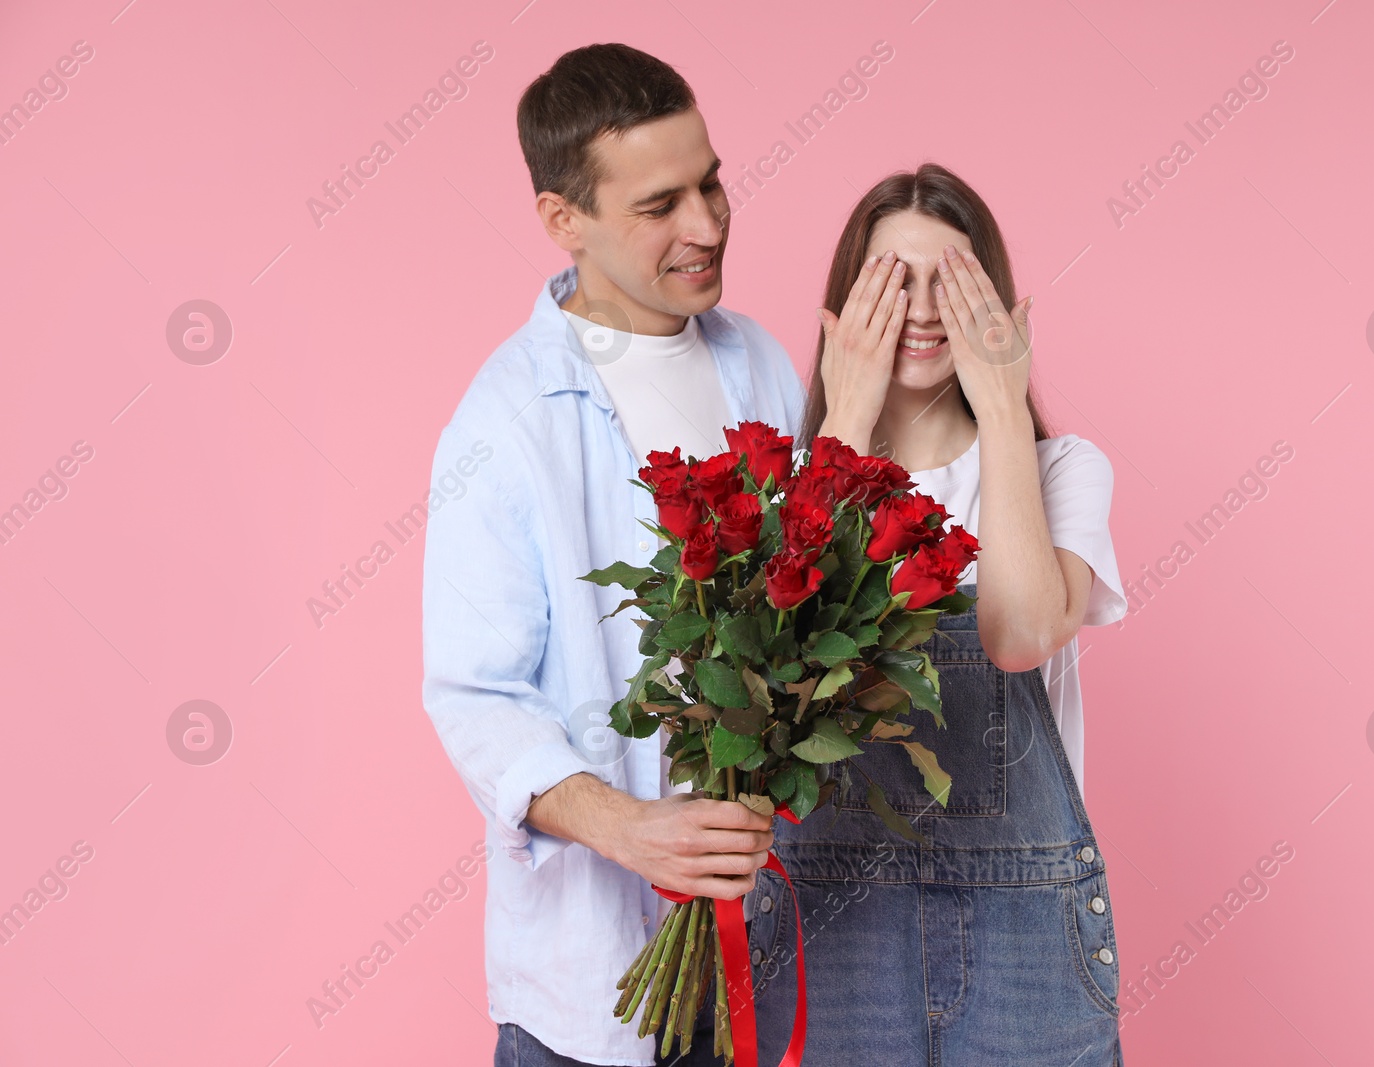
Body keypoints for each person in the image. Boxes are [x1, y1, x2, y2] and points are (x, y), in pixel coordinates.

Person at [419, 43, 806, 1067]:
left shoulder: (759, 360)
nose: (708, 225)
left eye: (712, 181)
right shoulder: (502, 420)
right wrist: (626, 826)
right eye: (660, 204)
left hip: (757, 957)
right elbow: (475, 696)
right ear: (563, 219)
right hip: (590, 994)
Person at [746, 163, 1131, 1064]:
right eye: (891, 283)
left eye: (950, 284)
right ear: (841, 309)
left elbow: (1018, 635)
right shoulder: (787, 479)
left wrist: (1002, 405)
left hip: (1023, 926)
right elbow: (778, 679)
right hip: (833, 923)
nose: (921, 311)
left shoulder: (1064, 469)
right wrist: (844, 415)